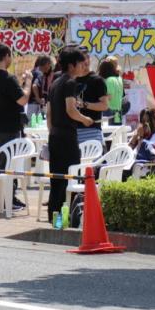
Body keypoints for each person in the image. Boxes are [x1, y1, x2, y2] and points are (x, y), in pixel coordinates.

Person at [46, 45, 93, 228]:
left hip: (55, 136)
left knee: (56, 179)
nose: (84, 65)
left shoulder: (55, 82)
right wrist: (85, 119)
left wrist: (52, 131)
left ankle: (55, 219)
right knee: (70, 178)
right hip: (67, 137)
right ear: (72, 65)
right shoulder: (70, 83)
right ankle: (66, 220)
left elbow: (48, 112)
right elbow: (71, 110)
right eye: (81, 62)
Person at [0, 43, 31, 211]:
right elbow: (23, 100)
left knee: (0, 165)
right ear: (7, 55)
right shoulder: (8, 78)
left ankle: (3, 199)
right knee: (9, 165)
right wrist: (28, 83)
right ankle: (6, 200)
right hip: (8, 128)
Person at [76, 55, 110, 146]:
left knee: (92, 159)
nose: (84, 62)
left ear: (89, 60)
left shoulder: (97, 80)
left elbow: (104, 105)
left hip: (91, 130)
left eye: (86, 58)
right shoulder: (72, 80)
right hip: (72, 131)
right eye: (81, 59)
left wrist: (85, 105)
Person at [128, 108, 155, 178]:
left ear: (154, 122)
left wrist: (141, 139)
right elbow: (127, 152)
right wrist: (135, 137)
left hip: (147, 168)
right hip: (134, 165)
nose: (145, 124)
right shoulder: (141, 133)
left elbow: (147, 154)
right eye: (143, 122)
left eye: (148, 121)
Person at [100, 56, 124, 126]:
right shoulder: (119, 78)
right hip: (118, 110)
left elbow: (109, 96)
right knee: (117, 132)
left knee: (108, 134)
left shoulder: (109, 80)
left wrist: (99, 98)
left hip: (109, 110)